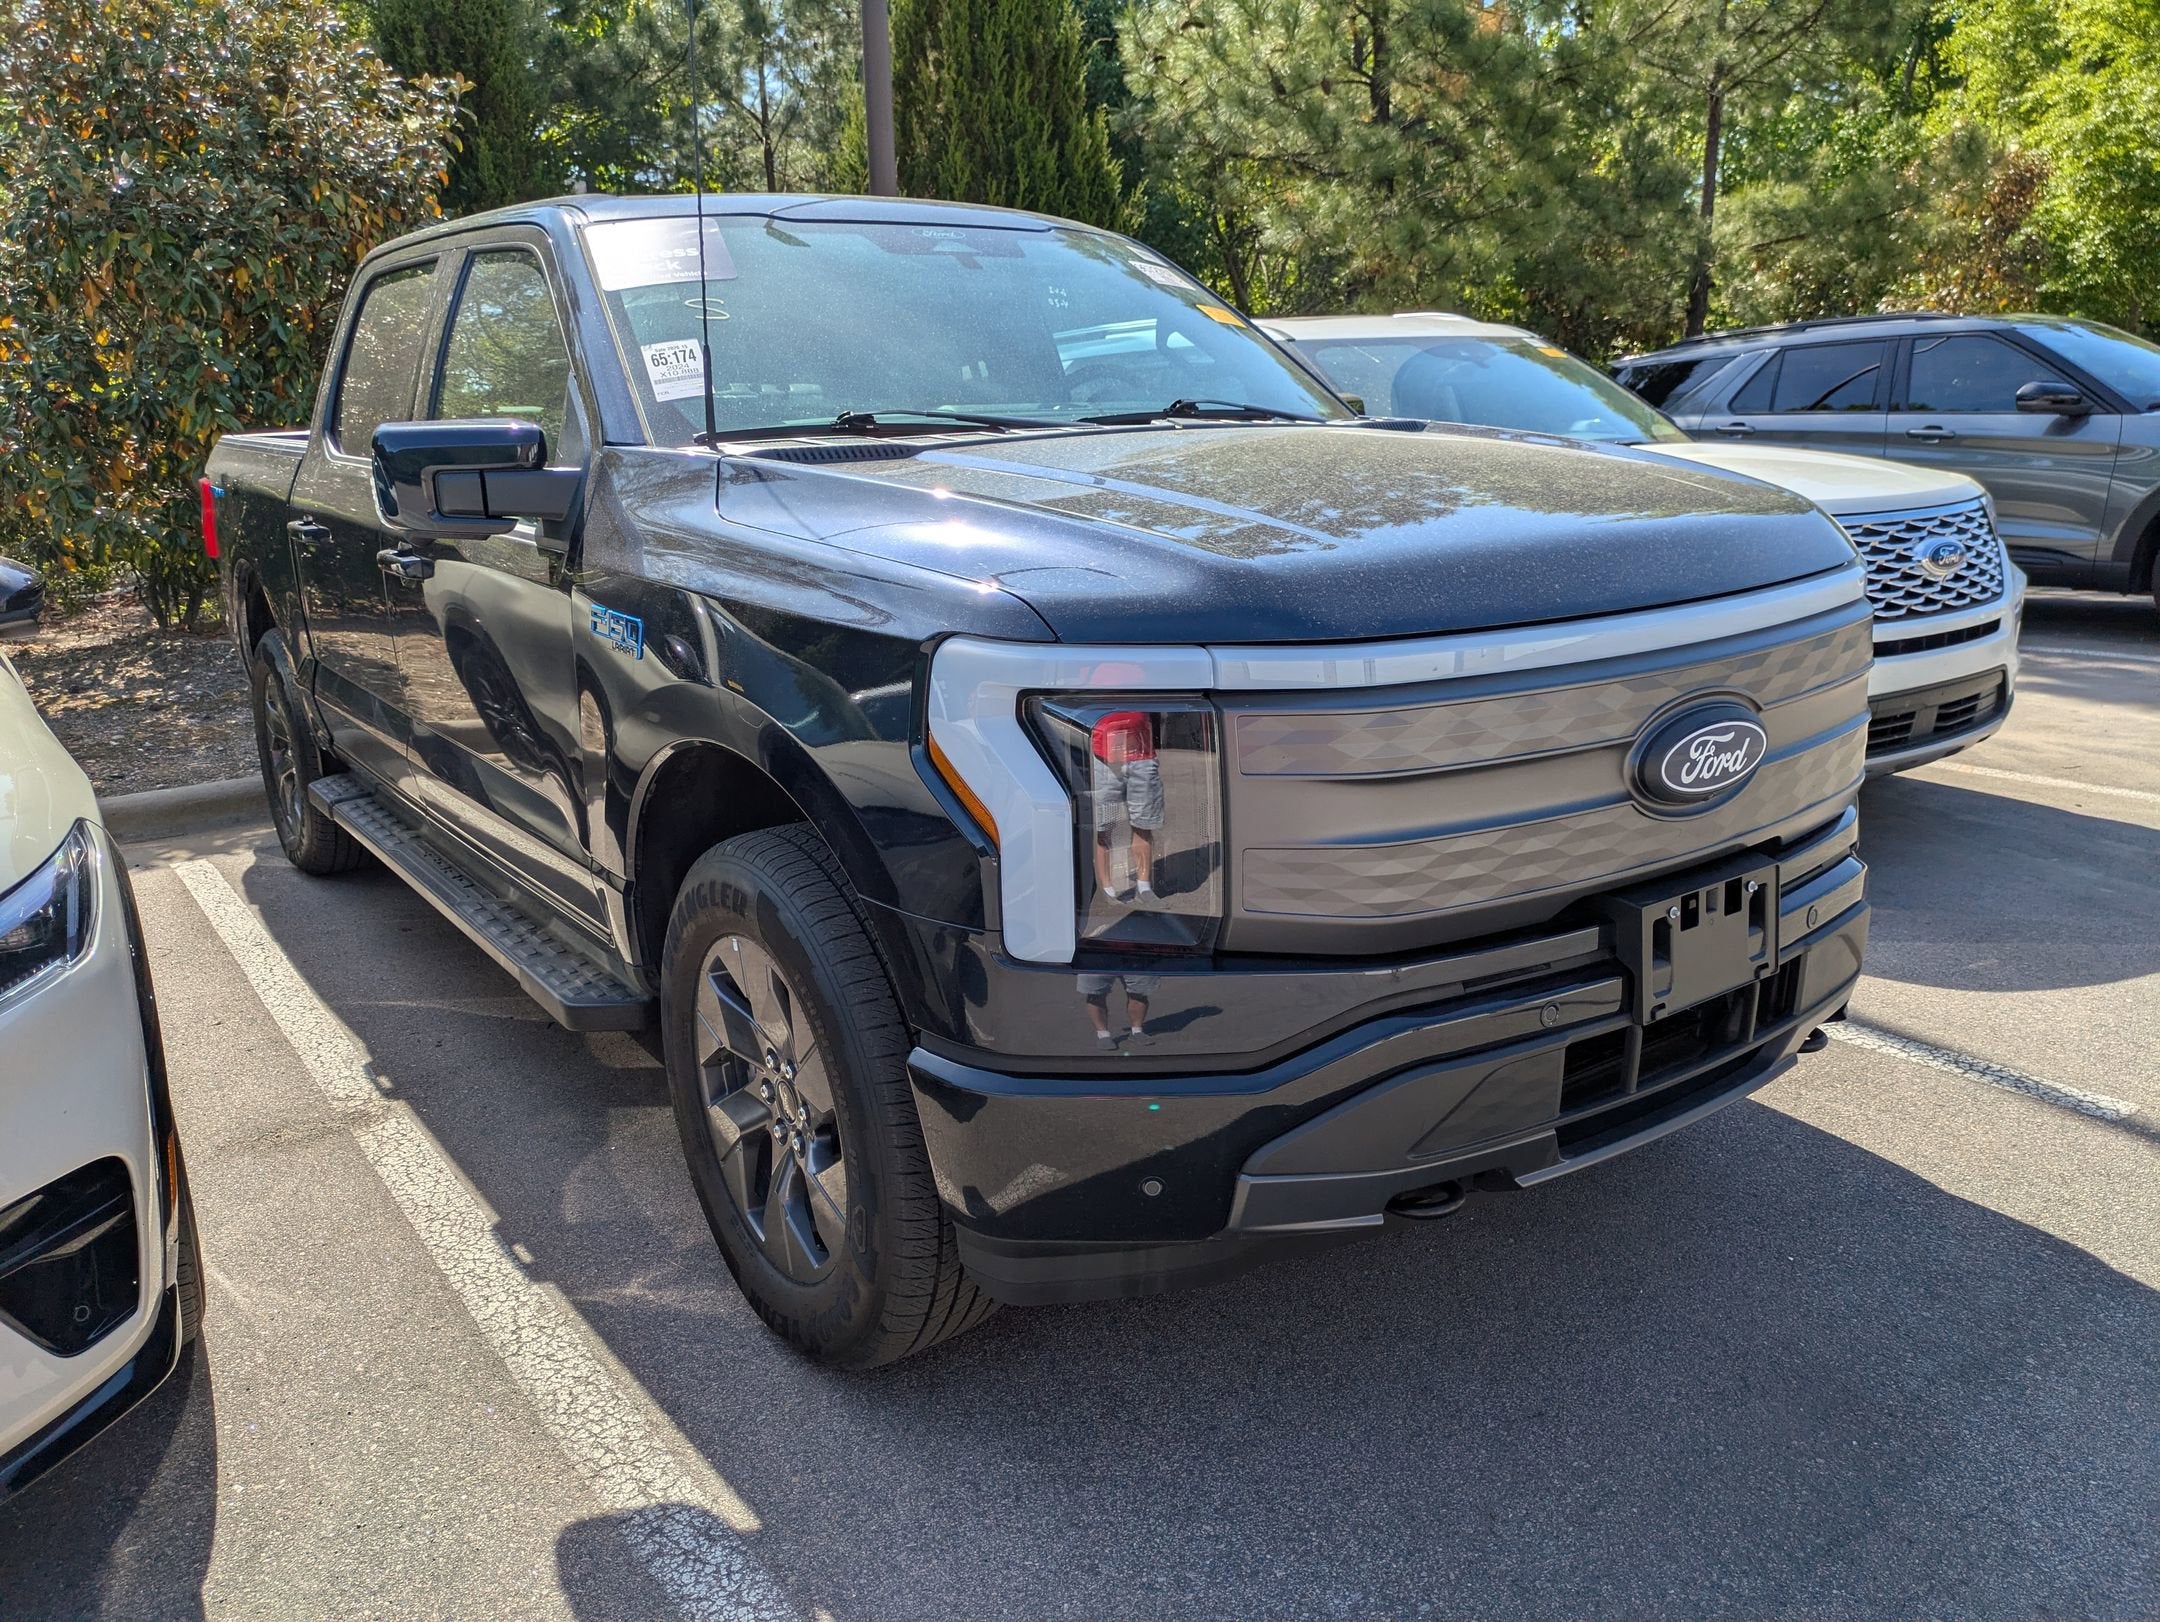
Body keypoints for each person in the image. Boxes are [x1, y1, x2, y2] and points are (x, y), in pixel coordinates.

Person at [1088, 708, 1162, 902]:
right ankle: (1107, 887)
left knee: (1143, 824)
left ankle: (1143, 887)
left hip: (1141, 754)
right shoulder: (1089, 675)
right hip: (1104, 755)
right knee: (1106, 824)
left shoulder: (1148, 676)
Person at [1079, 970, 1157, 1047]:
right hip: (1095, 959)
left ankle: (1137, 1031)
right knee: (1095, 993)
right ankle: (1103, 1035)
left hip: (1137, 959)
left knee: (1139, 993)